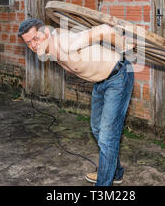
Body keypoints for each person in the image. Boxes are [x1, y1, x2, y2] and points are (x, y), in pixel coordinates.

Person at [18, 18, 135, 186]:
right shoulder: (46, 49)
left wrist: (122, 46)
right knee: (97, 129)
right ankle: (114, 172)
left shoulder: (65, 42)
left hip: (118, 77)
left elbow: (104, 30)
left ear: (46, 33)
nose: (34, 45)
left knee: (108, 136)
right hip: (101, 83)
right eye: (28, 43)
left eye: (36, 39)